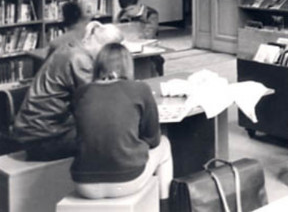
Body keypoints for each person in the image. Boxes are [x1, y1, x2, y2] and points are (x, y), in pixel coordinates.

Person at [70, 43, 173, 204]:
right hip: (127, 180)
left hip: (83, 183)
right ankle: (167, 207)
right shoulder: (140, 89)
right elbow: (154, 139)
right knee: (165, 145)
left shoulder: (81, 92)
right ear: (127, 66)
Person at [12, 22, 123, 161]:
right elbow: (96, 101)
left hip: (35, 131)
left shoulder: (71, 48)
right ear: (104, 48)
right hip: (45, 138)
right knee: (111, 136)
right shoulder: (80, 60)